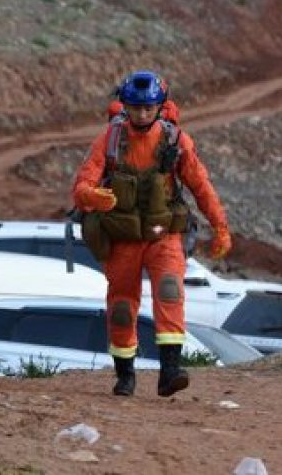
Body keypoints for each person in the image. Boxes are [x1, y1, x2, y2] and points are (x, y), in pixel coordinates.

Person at [73, 70, 231, 397]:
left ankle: (170, 372)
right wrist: (90, 196)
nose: (142, 114)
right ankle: (125, 375)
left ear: (160, 107)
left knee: (170, 293)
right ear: (125, 106)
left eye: (148, 108)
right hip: (122, 238)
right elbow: (82, 183)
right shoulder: (110, 139)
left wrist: (220, 226)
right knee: (120, 307)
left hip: (163, 235)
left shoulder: (176, 141)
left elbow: (200, 186)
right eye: (135, 107)